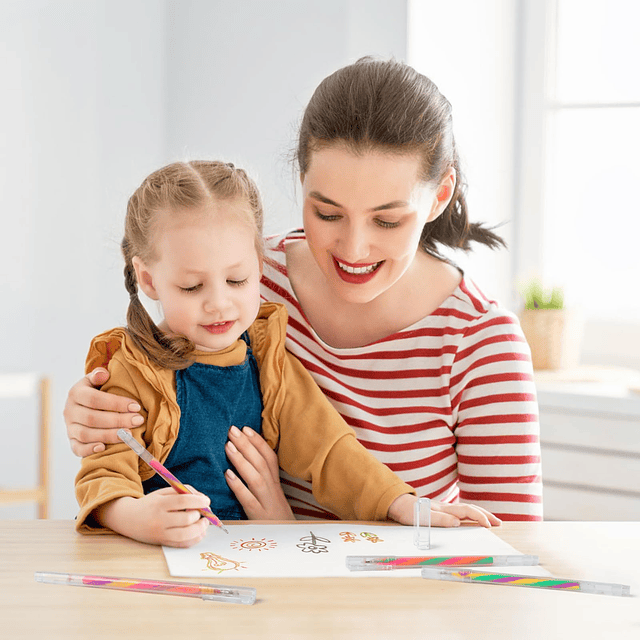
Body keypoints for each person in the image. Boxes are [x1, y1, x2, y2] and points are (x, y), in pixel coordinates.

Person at [66, 57, 542, 523]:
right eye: (328, 213)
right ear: (303, 184)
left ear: (439, 196)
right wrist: (94, 411)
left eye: (387, 220)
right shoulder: (246, 281)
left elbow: (507, 565)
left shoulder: (480, 344)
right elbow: (149, 384)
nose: (354, 249)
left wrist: (284, 531)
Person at [75, 159, 498, 548]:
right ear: (148, 280)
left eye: (237, 280)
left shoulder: (269, 360)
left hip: (249, 562)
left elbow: (330, 450)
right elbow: (102, 472)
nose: (219, 303)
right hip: (153, 567)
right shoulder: (129, 368)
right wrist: (135, 517)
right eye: (192, 287)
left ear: (259, 266)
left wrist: (401, 503)